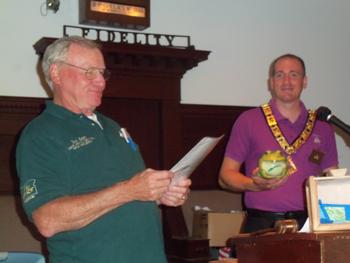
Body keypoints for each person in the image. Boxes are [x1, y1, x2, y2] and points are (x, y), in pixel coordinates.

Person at [16, 36, 191, 263]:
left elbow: (126, 195)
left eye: (102, 73)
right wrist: (129, 190)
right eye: (89, 71)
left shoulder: (113, 127)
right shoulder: (40, 134)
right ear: (56, 73)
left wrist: (159, 193)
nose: (100, 81)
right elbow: (47, 220)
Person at [219, 54, 338, 233]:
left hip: (310, 226)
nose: (287, 81)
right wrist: (254, 184)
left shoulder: (322, 127)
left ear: (305, 81)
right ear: (271, 82)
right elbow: (225, 177)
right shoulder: (248, 120)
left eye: (294, 74)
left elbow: (333, 180)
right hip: (262, 225)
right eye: (280, 75)